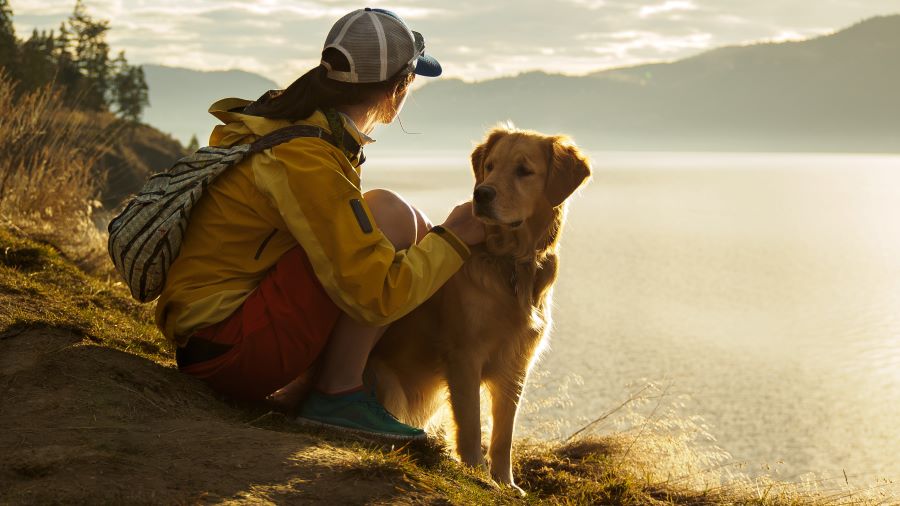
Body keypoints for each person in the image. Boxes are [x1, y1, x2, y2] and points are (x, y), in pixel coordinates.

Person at [155, 8, 485, 440]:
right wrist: (454, 240)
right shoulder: (307, 156)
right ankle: (336, 393)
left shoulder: (296, 125)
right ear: (399, 87)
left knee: (399, 220)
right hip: (230, 350)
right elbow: (374, 295)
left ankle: (318, 386)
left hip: (211, 339)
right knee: (393, 216)